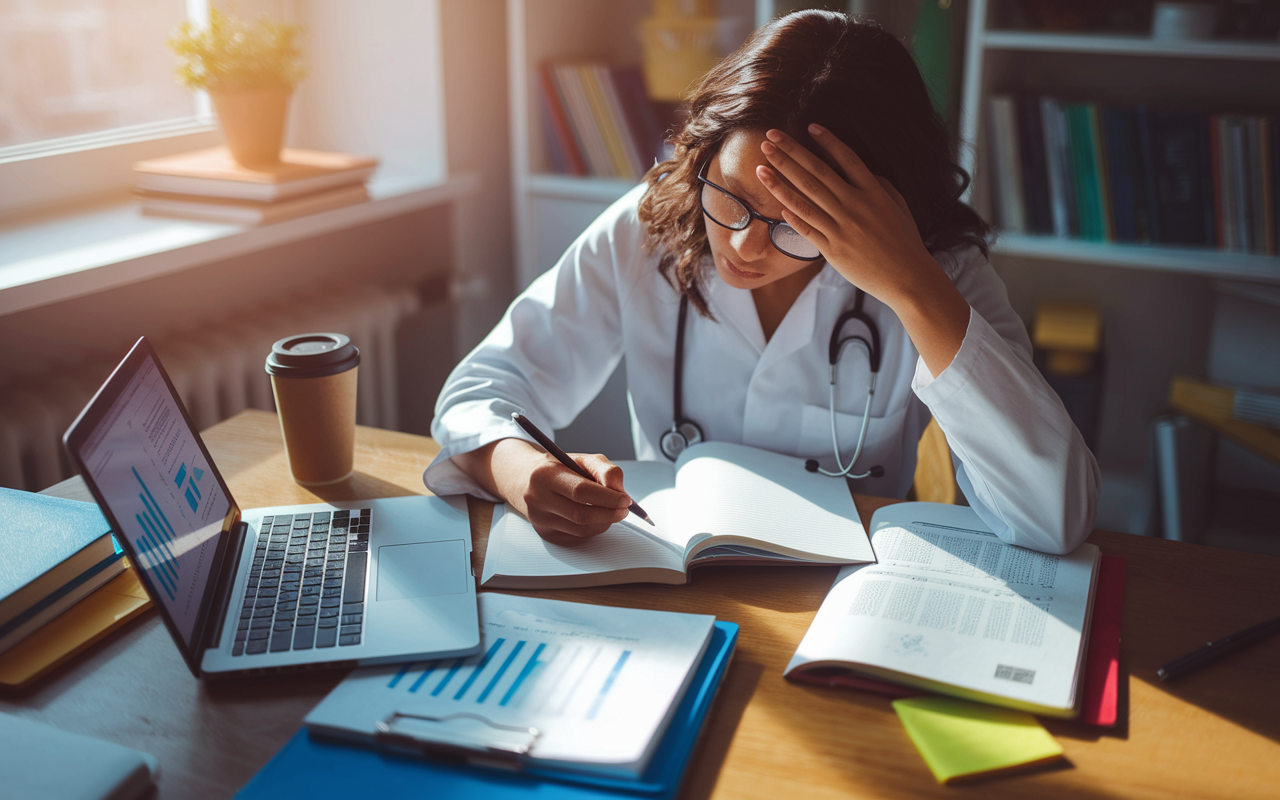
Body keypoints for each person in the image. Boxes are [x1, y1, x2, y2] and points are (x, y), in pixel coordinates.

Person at [424, 10, 1098, 555]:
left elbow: (1053, 515)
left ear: (879, 205)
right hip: (672, 585)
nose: (743, 244)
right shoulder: (645, 230)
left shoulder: (936, 275)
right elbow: (480, 392)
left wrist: (913, 287)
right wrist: (521, 472)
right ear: (702, 153)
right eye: (732, 195)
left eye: (799, 221)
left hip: (844, 605)